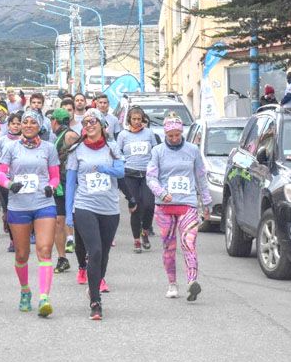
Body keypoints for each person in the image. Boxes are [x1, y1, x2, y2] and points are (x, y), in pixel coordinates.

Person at [0, 110, 60, 316]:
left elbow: (55, 176)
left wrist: (51, 186)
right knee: (22, 254)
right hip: (19, 205)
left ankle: (44, 297)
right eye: (26, 122)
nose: (29, 125)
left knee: (44, 250)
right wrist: (9, 184)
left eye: (33, 122)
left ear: (40, 126)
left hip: (43, 203)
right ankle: (25, 290)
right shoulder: (10, 147)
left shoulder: (49, 148)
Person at [65, 109, 124, 320]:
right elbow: (71, 184)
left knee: (104, 254)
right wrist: (69, 213)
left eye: (93, 121)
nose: (89, 125)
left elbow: (121, 172)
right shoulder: (76, 150)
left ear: (102, 125)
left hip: (109, 207)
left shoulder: (112, 147)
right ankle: (95, 302)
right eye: (86, 122)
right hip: (85, 205)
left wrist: (104, 169)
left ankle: (94, 285)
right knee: (95, 251)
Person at [146, 113, 211, 302]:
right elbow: (151, 177)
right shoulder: (157, 151)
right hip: (164, 206)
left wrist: (206, 202)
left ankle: (192, 282)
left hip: (187, 204)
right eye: (170, 136)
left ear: (181, 132)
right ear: (166, 134)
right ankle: (172, 284)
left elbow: (200, 176)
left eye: (177, 135)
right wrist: (160, 192)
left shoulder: (192, 150)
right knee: (169, 246)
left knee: (188, 243)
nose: (174, 139)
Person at [117, 106, 158, 253]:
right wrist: (123, 163)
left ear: (143, 120)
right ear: (129, 120)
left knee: (149, 205)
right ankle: (136, 240)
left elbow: (155, 151)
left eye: (139, 119)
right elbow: (117, 152)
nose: (136, 122)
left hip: (147, 175)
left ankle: (145, 231)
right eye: (134, 119)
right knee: (136, 207)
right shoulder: (123, 135)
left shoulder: (149, 133)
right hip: (130, 175)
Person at [49, 108, 79, 273]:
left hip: (70, 183)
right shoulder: (58, 136)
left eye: (52, 119)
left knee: (75, 219)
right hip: (59, 184)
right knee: (58, 221)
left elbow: (82, 148)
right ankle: (62, 258)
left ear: (55, 120)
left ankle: (85, 253)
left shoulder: (69, 135)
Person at [0, 113, 23, 253]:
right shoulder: (2, 141)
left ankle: (25, 235)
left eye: (19, 123)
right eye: (14, 123)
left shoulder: (26, 140)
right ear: (8, 125)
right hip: (5, 182)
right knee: (9, 211)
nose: (16, 126)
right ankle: (13, 240)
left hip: (22, 181)